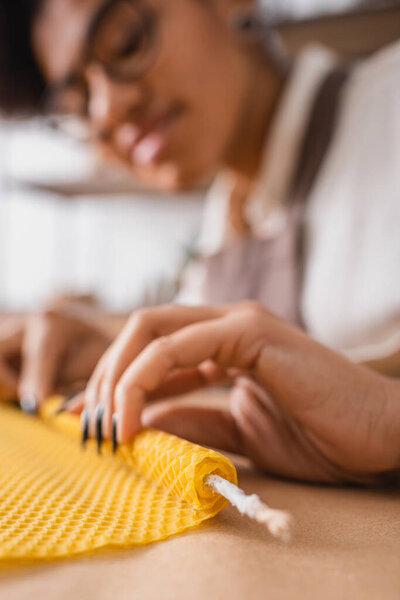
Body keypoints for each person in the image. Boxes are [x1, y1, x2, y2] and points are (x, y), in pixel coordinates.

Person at [0, 0, 399, 483]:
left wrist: (386, 422)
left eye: (127, 42)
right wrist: (97, 351)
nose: (108, 109)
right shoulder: (225, 231)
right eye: (79, 102)